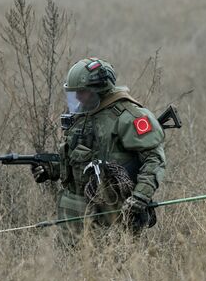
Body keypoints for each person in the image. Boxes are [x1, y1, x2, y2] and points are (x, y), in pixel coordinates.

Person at [31, 58, 166, 246]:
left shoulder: (129, 117)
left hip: (113, 214)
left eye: (83, 92)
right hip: (73, 216)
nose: (78, 97)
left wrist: (140, 197)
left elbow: (154, 159)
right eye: (74, 92)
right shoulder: (83, 114)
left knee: (113, 271)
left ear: (100, 91)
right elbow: (78, 159)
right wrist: (51, 169)